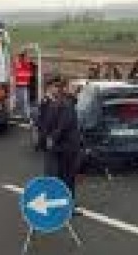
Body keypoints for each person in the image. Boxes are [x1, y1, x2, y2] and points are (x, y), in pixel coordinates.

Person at [43, 74, 82, 208]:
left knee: (61, 177)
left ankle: (62, 204)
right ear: (64, 88)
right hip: (67, 148)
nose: (75, 88)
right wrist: (53, 139)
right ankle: (67, 206)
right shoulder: (66, 104)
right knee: (67, 178)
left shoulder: (60, 102)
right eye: (72, 86)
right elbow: (62, 126)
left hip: (62, 147)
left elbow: (51, 125)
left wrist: (51, 140)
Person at [12, 51, 33, 120]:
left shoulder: (26, 64)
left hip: (24, 86)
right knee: (18, 100)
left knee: (25, 100)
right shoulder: (17, 64)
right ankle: (20, 114)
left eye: (21, 57)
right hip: (17, 85)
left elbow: (29, 73)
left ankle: (27, 115)